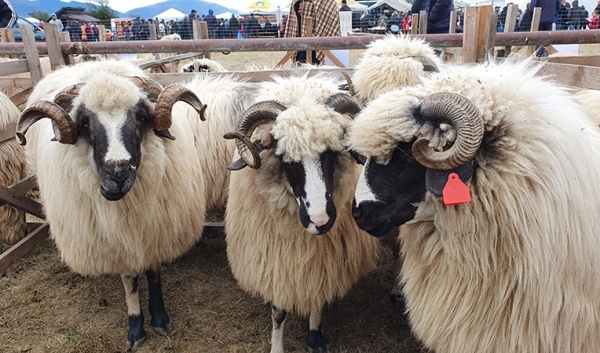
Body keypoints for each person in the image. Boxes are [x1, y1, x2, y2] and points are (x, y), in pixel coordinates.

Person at [284, 0, 341, 65]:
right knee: (300, 67)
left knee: (320, 68)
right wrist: (299, 8)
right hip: (302, 42)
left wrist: (308, 8)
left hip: (319, 40)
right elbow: (295, 20)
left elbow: (328, 11)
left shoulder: (328, 3)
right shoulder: (297, 1)